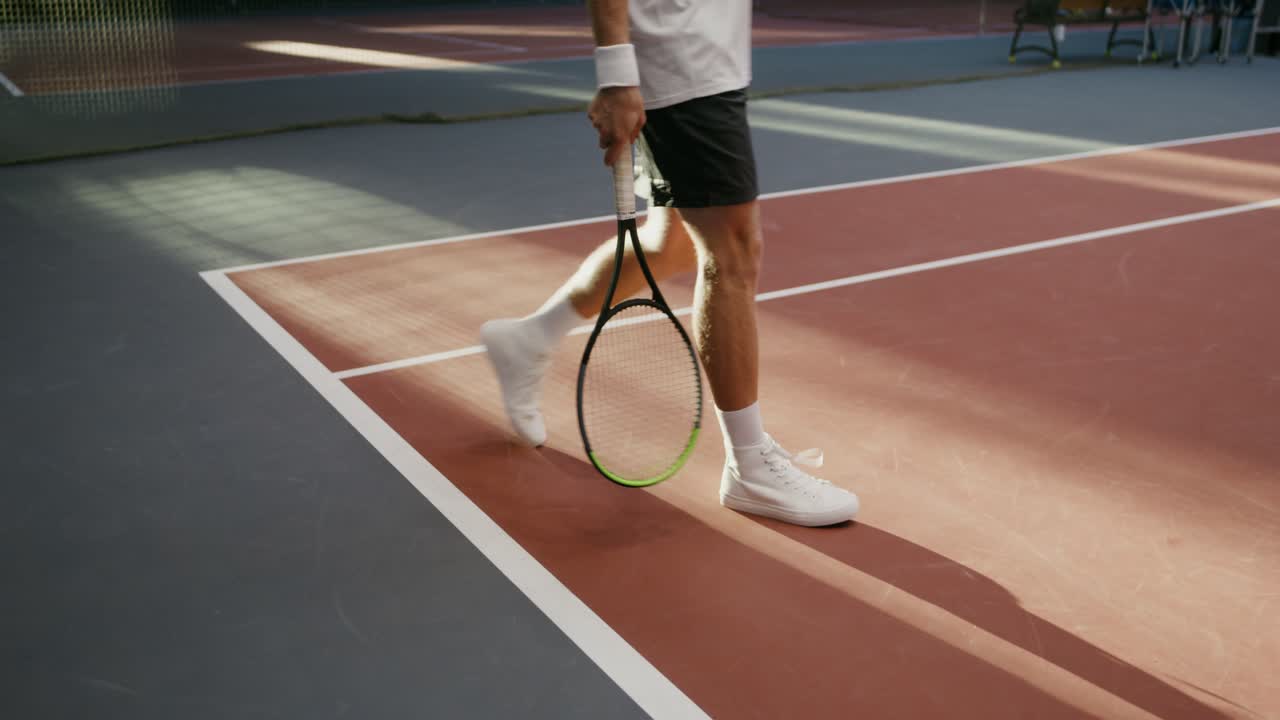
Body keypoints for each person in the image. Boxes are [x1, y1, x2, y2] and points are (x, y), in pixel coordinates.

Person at [480, 0, 859, 527]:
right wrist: (616, 76)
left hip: (706, 58)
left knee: (673, 241)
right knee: (733, 251)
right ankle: (751, 466)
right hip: (683, 67)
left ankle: (530, 339)